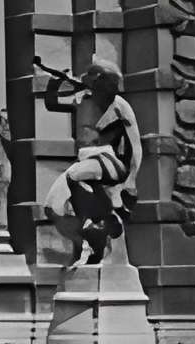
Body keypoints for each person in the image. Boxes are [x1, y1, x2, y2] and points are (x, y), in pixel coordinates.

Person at [35, 59, 141, 264]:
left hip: (110, 161)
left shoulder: (120, 106)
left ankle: (102, 217)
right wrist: (55, 83)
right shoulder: (82, 98)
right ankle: (92, 240)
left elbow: (136, 145)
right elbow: (52, 103)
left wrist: (132, 180)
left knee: (75, 175)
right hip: (85, 161)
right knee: (52, 207)